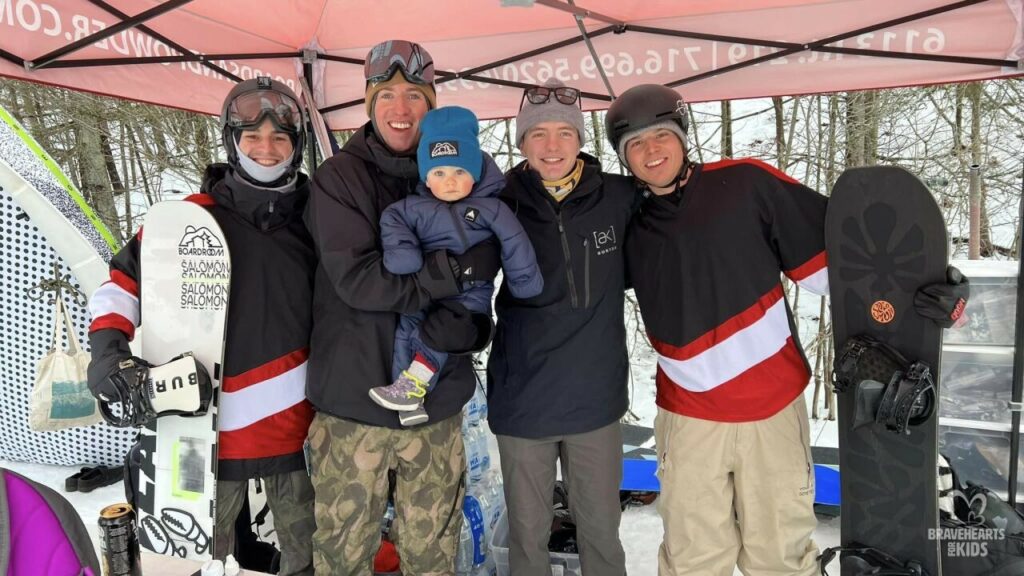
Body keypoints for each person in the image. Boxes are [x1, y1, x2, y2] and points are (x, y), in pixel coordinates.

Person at [607, 83, 970, 576]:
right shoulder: (625, 220)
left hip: (772, 411)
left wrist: (932, 294)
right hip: (688, 420)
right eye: (635, 144)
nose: (651, 151)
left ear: (683, 136)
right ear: (624, 157)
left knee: (780, 558)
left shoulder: (744, 185)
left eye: (661, 136)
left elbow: (854, 266)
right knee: (693, 560)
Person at [87, 77, 317, 575]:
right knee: (190, 564)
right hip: (203, 430)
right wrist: (107, 349)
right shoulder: (188, 221)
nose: (266, 148)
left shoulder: (320, 219)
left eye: (280, 137)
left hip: (298, 431)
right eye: (252, 136)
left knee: (308, 562)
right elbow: (122, 284)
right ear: (232, 142)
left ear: (296, 145)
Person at [304, 40, 500, 575]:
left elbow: (488, 266)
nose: (401, 108)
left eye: (415, 95)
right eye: (386, 95)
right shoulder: (338, 178)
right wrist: (452, 274)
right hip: (353, 410)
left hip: (434, 409)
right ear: (368, 102)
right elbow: (361, 281)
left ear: (431, 105)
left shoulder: (463, 172)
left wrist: (473, 323)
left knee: (432, 557)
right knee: (343, 558)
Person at [487, 78, 633, 576]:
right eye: (538, 133)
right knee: (527, 538)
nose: (552, 146)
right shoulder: (500, 200)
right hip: (523, 401)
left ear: (580, 139)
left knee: (601, 534)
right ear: (521, 142)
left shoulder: (619, 196)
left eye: (564, 133)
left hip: (596, 401)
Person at [368, 105, 543, 426]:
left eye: (459, 172)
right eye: (439, 173)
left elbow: (515, 242)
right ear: (426, 176)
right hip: (425, 288)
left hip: (468, 297)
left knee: (440, 333)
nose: (449, 182)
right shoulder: (414, 207)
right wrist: (403, 254)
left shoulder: (491, 208)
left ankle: (414, 384)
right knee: (407, 329)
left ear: (474, 173)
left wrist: (524, 281)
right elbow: (392, 219)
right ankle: (408, 399)